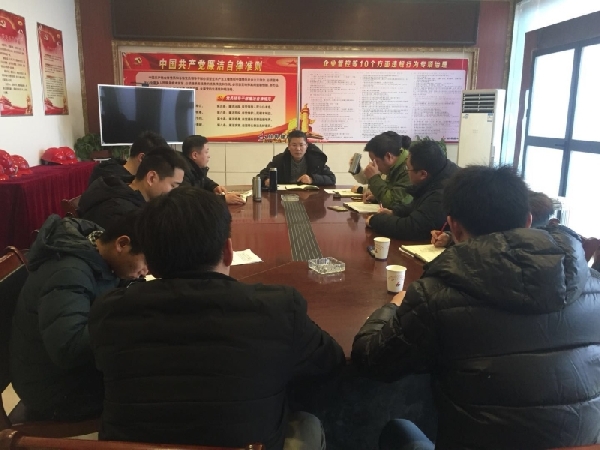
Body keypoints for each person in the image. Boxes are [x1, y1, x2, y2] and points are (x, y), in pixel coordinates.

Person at [352, 165, 600, 450]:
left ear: (454, 226)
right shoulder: (593, 285)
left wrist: (392, 308)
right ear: (529, 220)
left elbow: (370, 361)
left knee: (396, 431)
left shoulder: (436, 295)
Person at [89, 186, 345, 450]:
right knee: (310, 422)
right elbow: (332, 363)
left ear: (150, 263)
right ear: (228, 251)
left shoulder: (109, 311)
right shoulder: (278, 308)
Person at [9, 213, 147, 422]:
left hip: (65, 373)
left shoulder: (100, 256)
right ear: (122, 244)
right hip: (54, 389)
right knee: (150, 385)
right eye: (145, 262)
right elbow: (68, 349)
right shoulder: (69, 272)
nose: (146, 271)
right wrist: (125, 324)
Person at [366, 139, 458, 240]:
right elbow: (419, 205)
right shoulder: (439, 172)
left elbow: (411, 228)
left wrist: (375, 221)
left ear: (422, 174)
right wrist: (395, 212)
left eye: (408, 168)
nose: (407, 172)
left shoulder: (443, 191)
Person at [79, 146, 186, 229]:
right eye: (173, 185)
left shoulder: (125, 187)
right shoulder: (120, 213)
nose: (175, 192)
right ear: (151, 178)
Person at [182, 134, 244, 205]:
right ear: (195, 155)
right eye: (206, 152)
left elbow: (203, 180)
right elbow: (191, 199)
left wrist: (214, 187)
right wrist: (223, 199)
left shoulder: (194, 168)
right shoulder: (182, 173)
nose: (209, 156)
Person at [87, 131, 167, 186]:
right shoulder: (120, 184)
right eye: (157, 163)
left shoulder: (112, 166)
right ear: (142, 158)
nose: (158, 169)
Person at [259, 130, 336, 187]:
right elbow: (260, 176)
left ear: (306, 146)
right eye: (294, 145)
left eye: (301, 145)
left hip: (309, 197)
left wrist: (312, 179)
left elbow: (332, 179)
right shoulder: (280, 160)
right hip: (285, 196)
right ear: (289, 146)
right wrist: (266, 180)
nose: (298, 149)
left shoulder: (315, 160)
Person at [360, 132, 412, 208]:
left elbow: (394, 203)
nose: (374, 165)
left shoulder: (409, 168)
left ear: (388, 156)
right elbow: (391, 193)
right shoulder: (394, 167)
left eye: (376, 161)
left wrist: (374, 178)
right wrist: (377, 197)